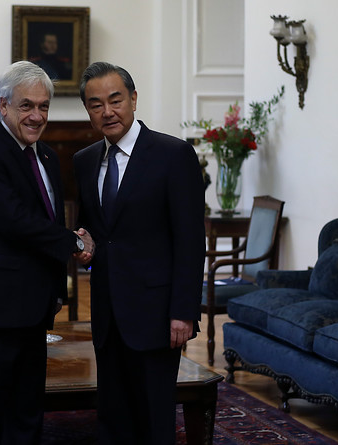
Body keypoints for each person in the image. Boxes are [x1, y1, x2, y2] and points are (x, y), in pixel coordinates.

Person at [0, 60, 94, 445]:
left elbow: (50, 218)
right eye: (26, 106)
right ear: (3, 106)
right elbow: (13, 220)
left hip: (33, 310)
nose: (36, 115)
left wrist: (56, 288)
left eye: (43, 106)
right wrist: (74, 242)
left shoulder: (46, 156)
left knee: (26, 412)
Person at [73, 61, 206, 444]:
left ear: (133, 99)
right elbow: (93, 230)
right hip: (107, 313)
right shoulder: (84, 161)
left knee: (154, 419)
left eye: (115, 100)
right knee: (112, 416)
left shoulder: (173, 154)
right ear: (88, 111)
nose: (107, 111)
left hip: (157, 313)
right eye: (96, 104)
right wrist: (85, 247)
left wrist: (183, 311)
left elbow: (190, 240)